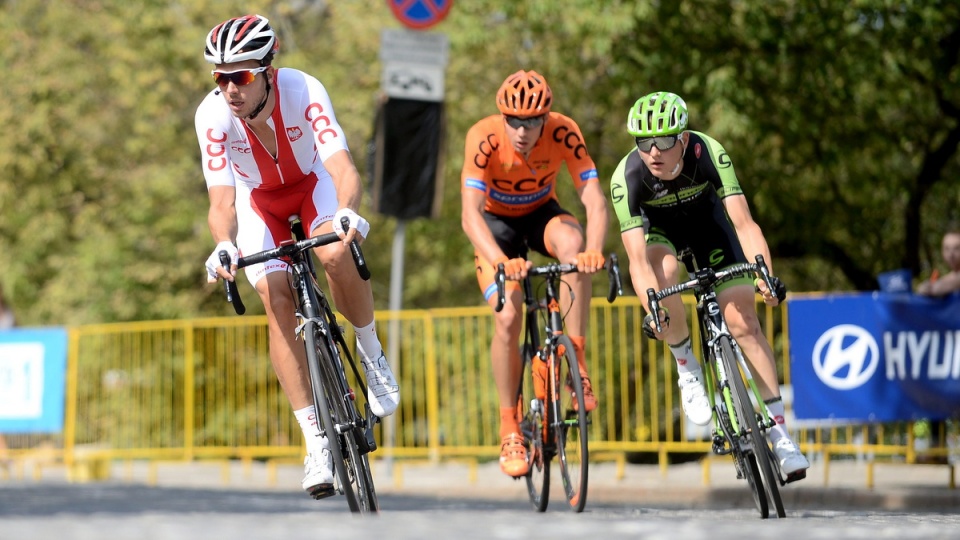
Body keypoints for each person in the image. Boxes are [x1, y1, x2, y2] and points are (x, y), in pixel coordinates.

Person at [195, 14, 399, 498]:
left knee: (332, 253)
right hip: (258, 203)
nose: (230, 89)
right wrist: (224, 243)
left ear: (268, 68)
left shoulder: (304, 89)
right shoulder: (213, 116)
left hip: (314, 187)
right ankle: (316, 443)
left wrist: (347, 212)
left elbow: (343, 168)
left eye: (240, 75)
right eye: (220, 77)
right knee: (276, 297)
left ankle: (371, 354)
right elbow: (221, 203)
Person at [609, 91, 809, 479]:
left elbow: (745, 224)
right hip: (660, 235)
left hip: (709, 228)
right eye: (643, 142)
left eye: (664, 140)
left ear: (683, 139)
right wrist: (654, 310)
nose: (653, 151)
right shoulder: (627, 177)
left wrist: (764, 274)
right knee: (663, 274)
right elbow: (636, 259)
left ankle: (782, 434)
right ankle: (686, 364)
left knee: (745, 323)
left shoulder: (708, 152)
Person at [460, 70, 609, 477]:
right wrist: (499, 260)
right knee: (508, 316)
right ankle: (510, 425)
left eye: (532, 121)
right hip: (495, 228)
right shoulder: (484, 136)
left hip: (541, 213)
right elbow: (468, 214)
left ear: (547, 117)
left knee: (574, 250)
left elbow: (593, 199)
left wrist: (595, 248)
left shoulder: (563, 132)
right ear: (502, 117)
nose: (523, 130)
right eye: (514, 121)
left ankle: (575, 359)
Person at [916, 229, 960, 297]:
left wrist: (935, 287)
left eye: (957, 248)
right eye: (947, 248)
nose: (951, 254)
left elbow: (955, 281)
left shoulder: (945, 282)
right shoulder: (945, 279)